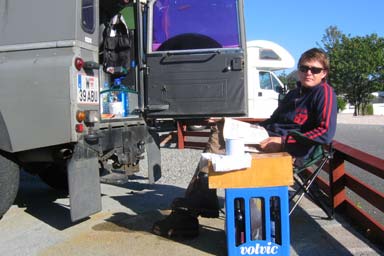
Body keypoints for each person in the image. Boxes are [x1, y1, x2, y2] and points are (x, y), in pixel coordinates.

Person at [152, 48, 338, 238]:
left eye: (315, 70)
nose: (309, 73)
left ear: (324, 73)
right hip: (266, 137)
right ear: (299, 69)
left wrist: (283, 142)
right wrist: (238, 124)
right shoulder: (294, 94)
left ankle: (194, 208)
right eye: (304, 68)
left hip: (293, 150)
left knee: (223, 149)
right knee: (221, 126)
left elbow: (326, 132)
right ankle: (197, 204)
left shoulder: (324, 93)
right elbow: (270, 122)